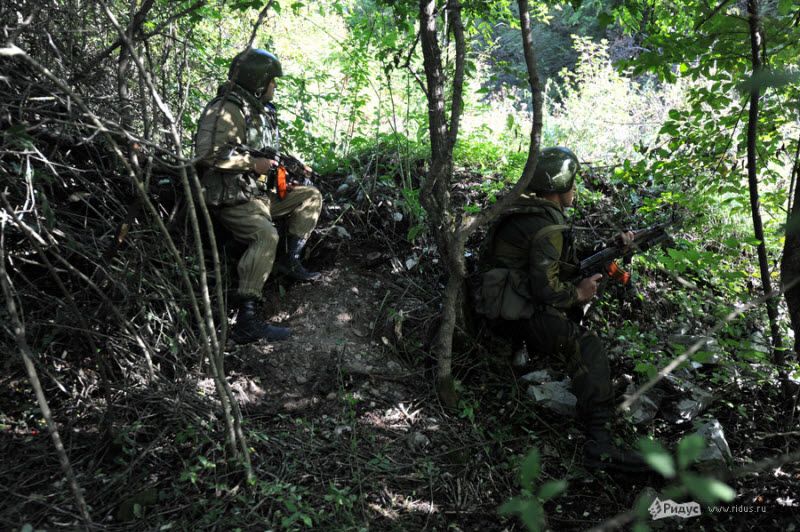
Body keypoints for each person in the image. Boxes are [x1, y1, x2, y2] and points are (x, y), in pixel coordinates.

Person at [477, 146, 649, 473]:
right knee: (588, 345)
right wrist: (577, 294)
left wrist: (610, 248)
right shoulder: (547, 225)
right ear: (558, 189)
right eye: (572, 185)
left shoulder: (532, 211)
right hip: (513, 312)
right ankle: (599, 443)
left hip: (506, 301)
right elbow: (547, 288)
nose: (575, 190)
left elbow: (558, 260)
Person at [194, 48, 323, 344]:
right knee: (266, 236)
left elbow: (264, 152)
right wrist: (252, 165)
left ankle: (290, 261)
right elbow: (206, 154)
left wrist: (289, 164)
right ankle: (247, 320)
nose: (274, 88)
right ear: (258, 80)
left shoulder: (258, 111)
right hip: (232, 197)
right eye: (272, 82)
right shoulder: (226, 109)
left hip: (259, 194)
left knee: (310, 197)